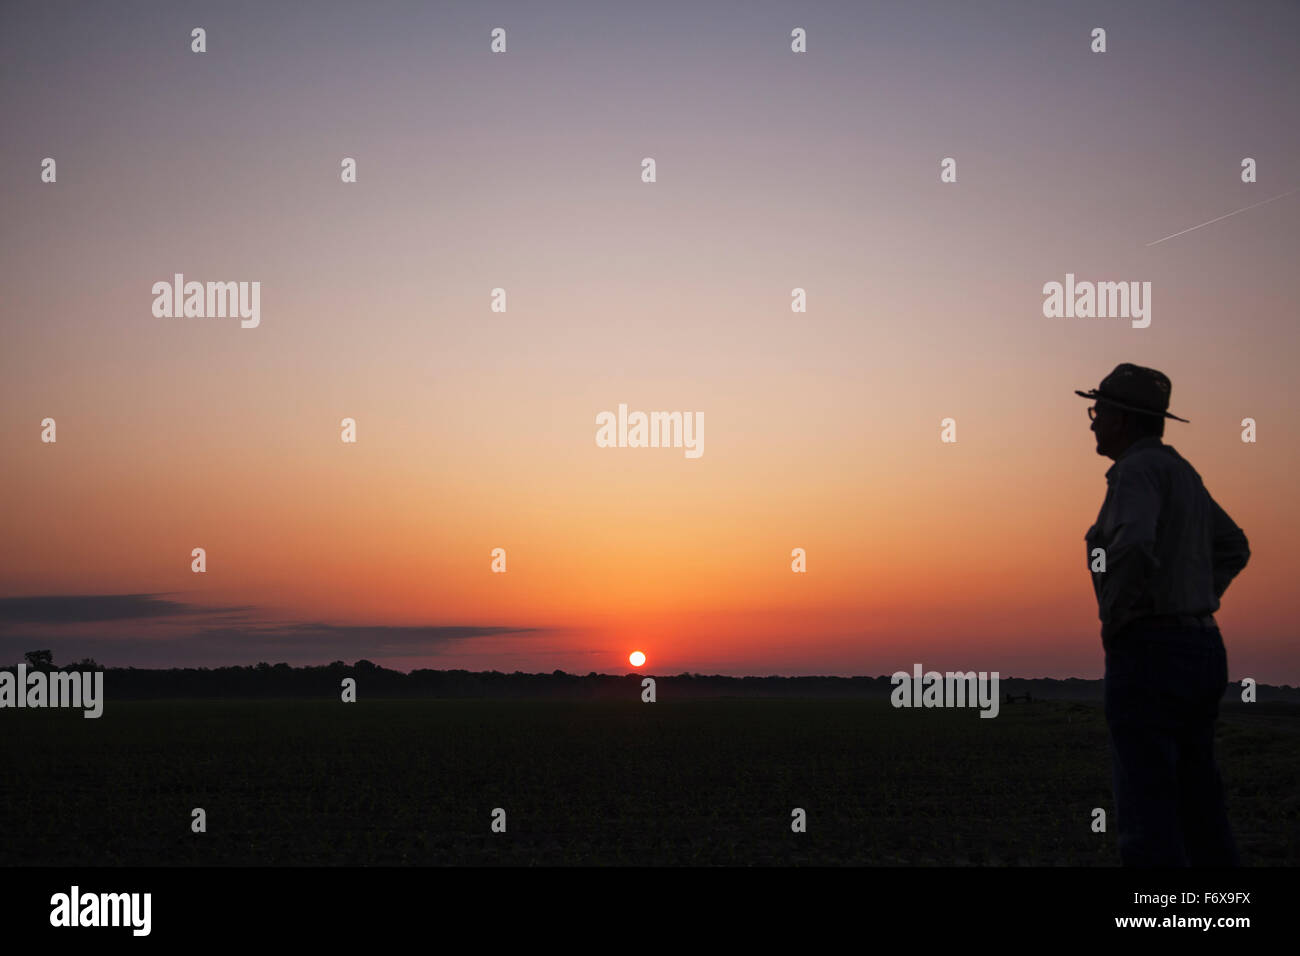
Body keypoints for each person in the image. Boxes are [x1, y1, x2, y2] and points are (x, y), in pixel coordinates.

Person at [1077, 363, 1250, 866]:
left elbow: (1130, 545)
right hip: (1201, 648)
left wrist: (1118, 618)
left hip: (1151, 649)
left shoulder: (1135, 471)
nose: (1092, 421)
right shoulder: (1181, 471)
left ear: (1123, 418)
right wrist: (1193, 594)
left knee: (1146, 810)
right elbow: (1233, 546)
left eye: (1098, 411)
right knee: (1200, 802)